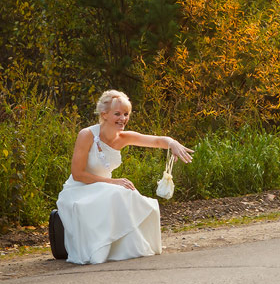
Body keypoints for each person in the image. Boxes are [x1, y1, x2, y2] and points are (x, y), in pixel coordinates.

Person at [55, 90, 194, 265]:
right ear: (104, 114)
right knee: (118, 192)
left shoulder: (123, 137)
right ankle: (101, 251)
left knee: (134, 196)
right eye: (117, 114)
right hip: (79, 189)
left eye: (126, 114)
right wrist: (114, 182)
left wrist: (172, 143)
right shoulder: (87, 135)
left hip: (104, 188)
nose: (123, 118)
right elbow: (78, 174)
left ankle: (129, 249)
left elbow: (156, 141)